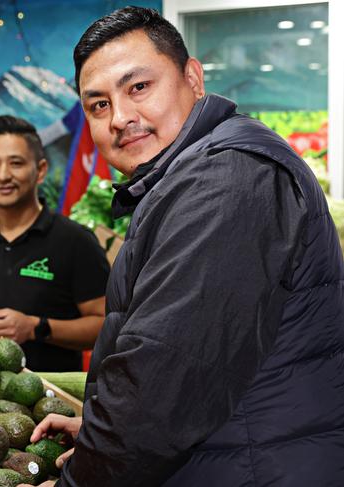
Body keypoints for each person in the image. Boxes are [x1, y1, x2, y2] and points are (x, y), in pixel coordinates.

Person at [21, 6, 344, 487]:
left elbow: (159, 385)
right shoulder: (189, 177)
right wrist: (97, 435)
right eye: (99, 105)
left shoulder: (225, 182)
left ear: (193, 78)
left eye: (138, 87)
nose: (121, 118)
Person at [0, 116, 110, 372]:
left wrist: (36, 327)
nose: (3, 175)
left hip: (53, 401)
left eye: (16, 163)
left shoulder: (75, 241)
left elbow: (106, 326)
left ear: (40, 170)